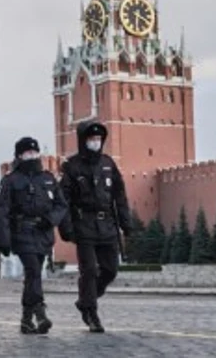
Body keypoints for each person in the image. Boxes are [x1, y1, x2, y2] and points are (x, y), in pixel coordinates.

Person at [58, 120, 131, 333]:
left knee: (110, 270)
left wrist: (126, 223)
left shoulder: (108, 164)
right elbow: (64, 201)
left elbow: (120, 195)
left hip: (107, 225)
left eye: (99, 139)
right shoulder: (72, 167)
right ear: (83, 140)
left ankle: (85, 299)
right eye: (91, 139)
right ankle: (91, 312)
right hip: (84, 226)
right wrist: (67, 229)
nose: (96, 142)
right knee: (89, 271)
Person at [0, 136, 70, 335]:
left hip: (43, 233)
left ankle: (26, 320)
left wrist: (51, 220)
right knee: (34, 270)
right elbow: (2, 212)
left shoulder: (47, 178)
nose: (32, 155)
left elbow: (61, 205)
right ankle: (40, 312)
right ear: (19, 155)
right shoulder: (11, 180)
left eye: (35, 152)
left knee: (32, 275)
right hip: (23, 232)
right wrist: (3, 240)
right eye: (28, 152)